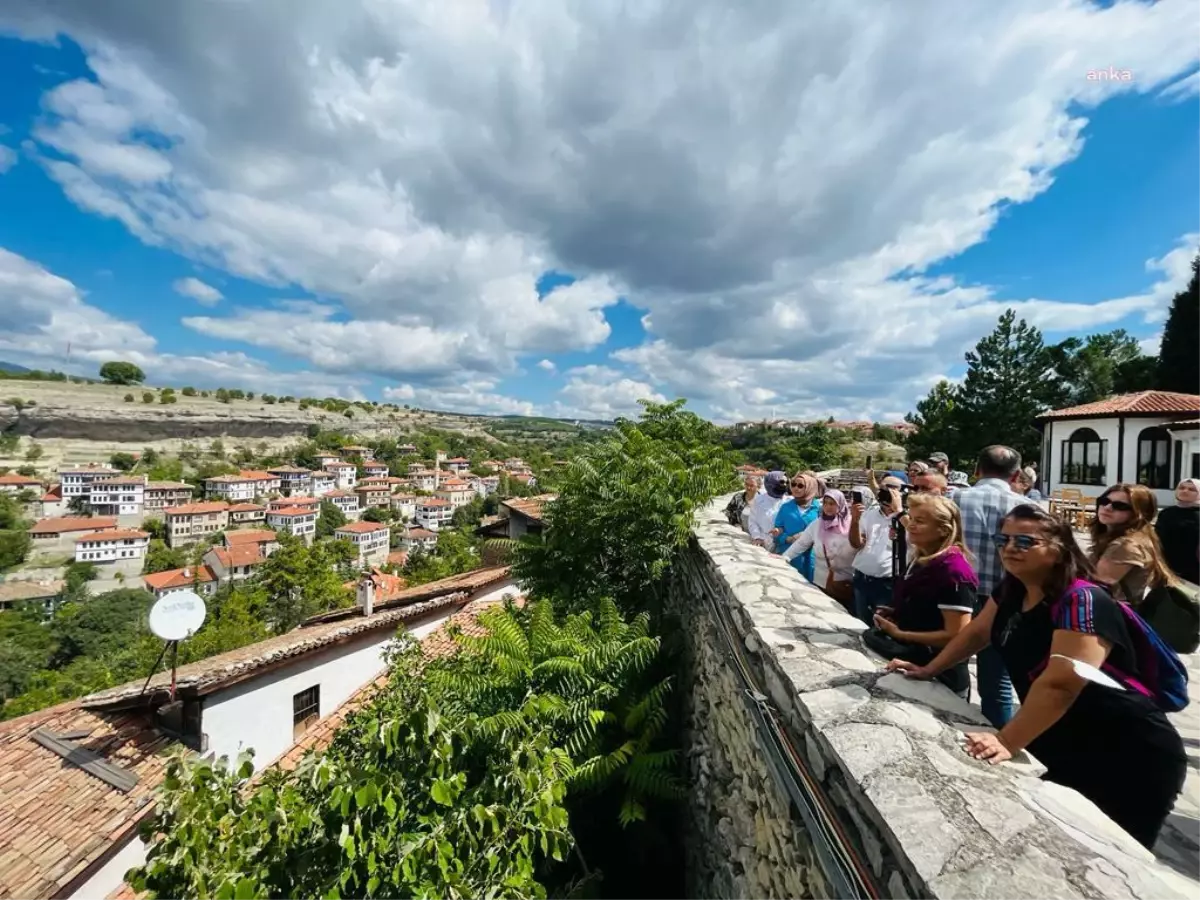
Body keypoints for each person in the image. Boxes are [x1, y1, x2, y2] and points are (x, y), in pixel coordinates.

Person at [888, 505, 1186, 849]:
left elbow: (1062, 683)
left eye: (1026, 541)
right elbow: (975, 635)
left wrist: (1007, 740)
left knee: (1107, 853)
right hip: (1058, 735)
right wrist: (929, 670)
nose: (1011, 547)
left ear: (1059, 548)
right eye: (1005, 539)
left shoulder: (1082, 600)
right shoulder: (1012, 590)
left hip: (1128, 751)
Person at [868, 494, 976, 696]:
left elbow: (957, 636)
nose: (910, 525)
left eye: (920, 521)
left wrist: (900, 634)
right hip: (913, 662)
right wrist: (898, 612)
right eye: (912, 518)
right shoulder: (923, 558)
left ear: (943, 530)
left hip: (942, 675)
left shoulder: (954, 571)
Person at [952, 445, 1023, 728]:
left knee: (953, 671)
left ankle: (956, 726)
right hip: (1004, 599)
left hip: (958, 596)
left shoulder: (955, 497)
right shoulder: (1025, 507)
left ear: (977, 469)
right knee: (997, 683)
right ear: (1016, 474)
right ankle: (997, 738)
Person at [1089, 483, 1174, 605]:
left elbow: (1092, 587)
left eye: (1119, 506)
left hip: (1110, 614)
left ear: (1138, 513)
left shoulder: (1125, 545)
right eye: (1104, 501)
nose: (1107, 507)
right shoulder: (1137, 537)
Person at [781, 488, 856, 606]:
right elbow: (802, 543)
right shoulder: (817, 524)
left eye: (832, 504)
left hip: (844, 582)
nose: (827, 507)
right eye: (825, 503)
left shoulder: (852, 524)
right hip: (820, 581)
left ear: (840, 504)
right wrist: (785, 557)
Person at [849, 476, 902, 624]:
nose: (885, 492)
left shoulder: (907, 519)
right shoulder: (869, 514)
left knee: (882, 625)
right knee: (860, 622)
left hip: (887, 584)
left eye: (891, 488)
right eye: (882, 488)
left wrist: (899, 513)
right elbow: (856, 544)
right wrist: (855, 520)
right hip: (862, 579)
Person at [772, 473, 821, 581]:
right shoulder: (786, 507)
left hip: (811, 557)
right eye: (793, 484)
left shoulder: (818, 508)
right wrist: (787, 538)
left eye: (800, 486)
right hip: (789, 554)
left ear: (809, 487)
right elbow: (777, 532)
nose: (795, 488)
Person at [1155, 478, 1200, 586]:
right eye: (1182, 488)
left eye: (1191, 489)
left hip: (1194, 568)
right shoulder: (1166, 513)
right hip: (1166, 564)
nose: (1185, 491)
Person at [747, 471, 788, 548]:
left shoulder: (789, 501)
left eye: (787, 482)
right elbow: (752, 522)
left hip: (784, 544)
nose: (785, 485)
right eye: (782, 482)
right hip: (763, 543)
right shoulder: (759, 501)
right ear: (771, 483)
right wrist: (757, 537)